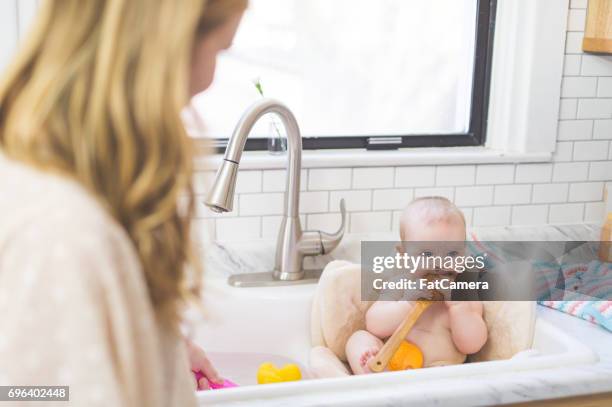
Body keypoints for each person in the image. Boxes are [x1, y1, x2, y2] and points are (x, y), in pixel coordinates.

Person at [0, 0, 246, 405]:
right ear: (161, 46)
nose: (209, 79)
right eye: (219, 49)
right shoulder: (60, 238)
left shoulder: (58, 201)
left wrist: (148, 346)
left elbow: (33, 383)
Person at [345, 197, 487, 374]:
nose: (440, 263)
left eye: (452, 253)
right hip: (390, 364)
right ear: (404, 255)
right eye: (427, 254)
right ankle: (374, 372)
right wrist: (407, 303)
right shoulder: (400, 285)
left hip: (437, 372)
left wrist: (459, 308)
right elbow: (374, 324)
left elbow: (473, 345)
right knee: (358, 338)